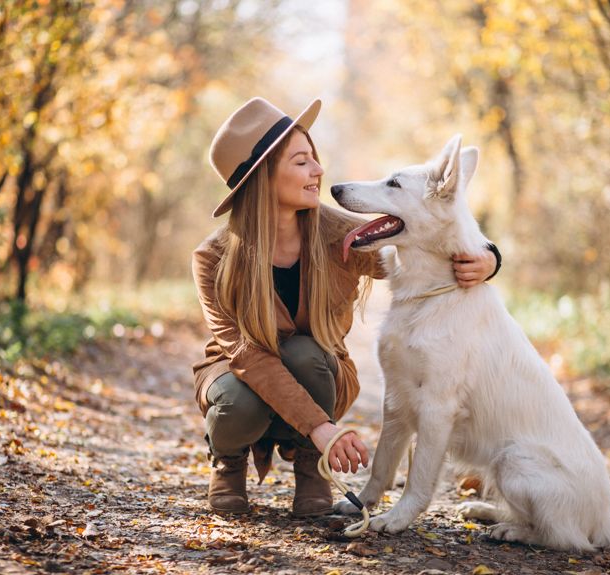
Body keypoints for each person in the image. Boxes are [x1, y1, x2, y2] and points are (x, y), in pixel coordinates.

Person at [191, 97, 500, 517]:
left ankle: (309, 467)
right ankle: (228, 462)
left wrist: (489, 257)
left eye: (314, 158)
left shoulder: (341, 233)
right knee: (234, 400)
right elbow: (247, 356)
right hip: (240, 375)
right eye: (302, 162)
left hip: (317, 371)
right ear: (263, 177)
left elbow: (428, 237)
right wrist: (323, 429)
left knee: (306, 354)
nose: (319, 170)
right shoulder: (212, 258)